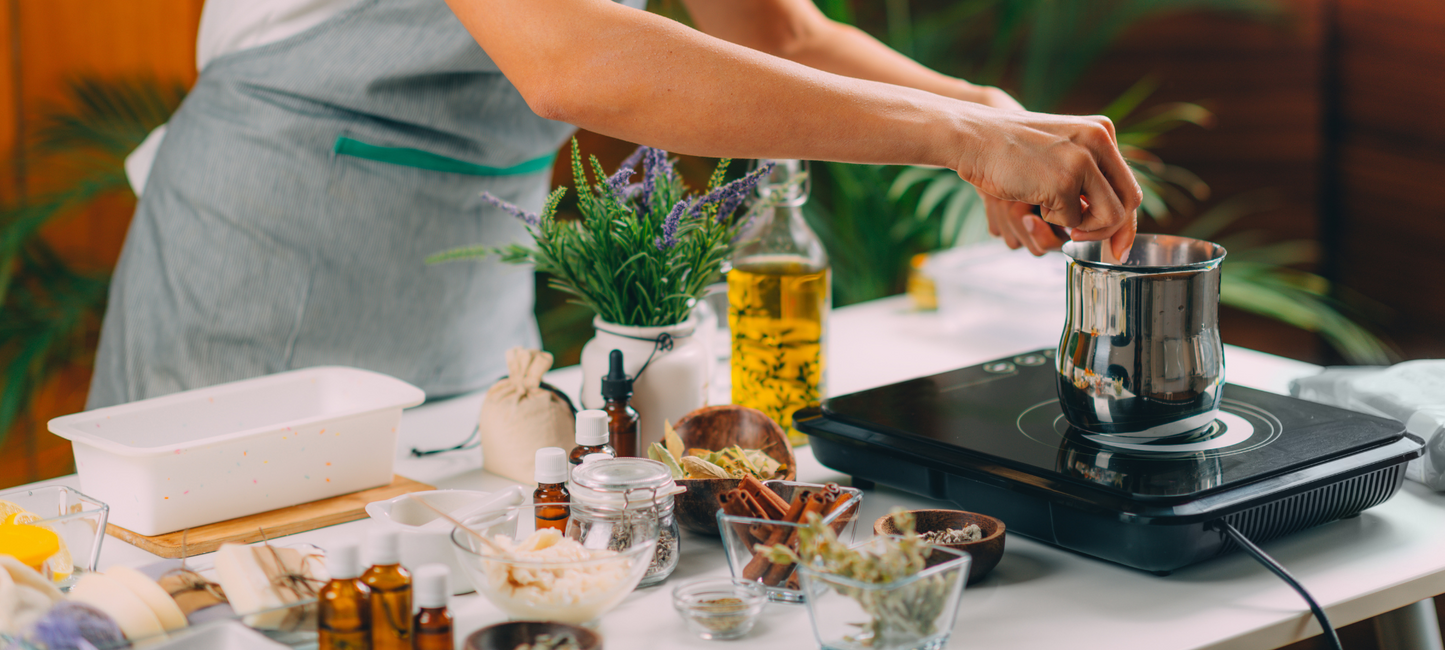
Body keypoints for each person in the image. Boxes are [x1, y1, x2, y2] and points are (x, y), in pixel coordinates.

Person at [89, 0, 1139, 408]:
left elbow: (773, 36)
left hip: (468, 264)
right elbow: (564, 59)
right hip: (271, 254)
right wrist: (957, 139)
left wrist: (992, 116)